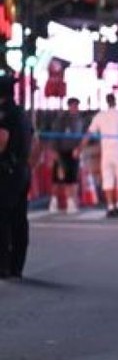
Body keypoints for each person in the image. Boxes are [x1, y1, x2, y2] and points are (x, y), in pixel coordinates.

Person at [78, 93, 118, 218]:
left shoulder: (100, 116)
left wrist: (79, 148)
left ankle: (110, 206)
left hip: (106, 152)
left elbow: (89, 133)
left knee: (108, 178)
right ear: (115, 101)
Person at [0, 75, 37, 280]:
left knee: (3, 219)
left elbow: (1, 141)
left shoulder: (5, 114)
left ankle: (3, 265)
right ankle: (16, 266)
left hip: (6, 171)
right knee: (19, 219)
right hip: (21, 170)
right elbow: (36, 141)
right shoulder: (21, 113)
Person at [49, 97, 85, 214]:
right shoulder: (62, 119)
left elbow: (81, 136)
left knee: (72, 178)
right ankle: (54, 202)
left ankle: (71, 202)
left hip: (74, 151)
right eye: (73, 106)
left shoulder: (79, 119)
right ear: (69, 106)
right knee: (58, 178)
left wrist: (79, 149)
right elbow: (55, 135)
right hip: (62, 151)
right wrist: (54, 151)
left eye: (77, 106)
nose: (75, 108)